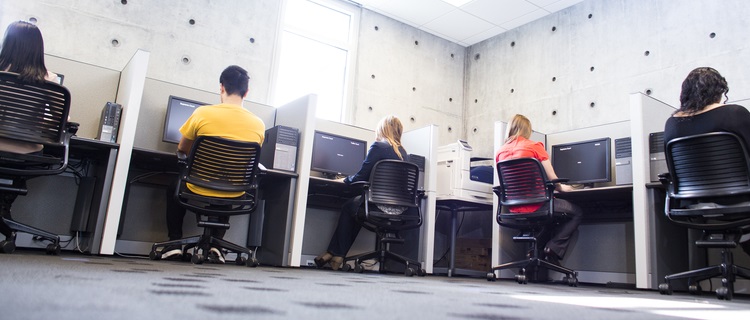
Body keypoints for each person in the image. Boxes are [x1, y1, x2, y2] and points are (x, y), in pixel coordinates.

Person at [160, 65, 265, 263]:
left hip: (198, 184)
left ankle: (174, 244)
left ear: (221, 87)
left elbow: (182, 149)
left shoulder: (202, 114)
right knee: (228, 184)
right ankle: (216, 246)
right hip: (235, 190)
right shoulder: (258, 124)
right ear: (247, 92)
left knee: (175, 184)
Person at [663, 66, 750, 256]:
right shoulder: (735, 114)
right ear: (719, 91)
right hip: (741, 199)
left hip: (696, 204)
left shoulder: (672, 124)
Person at [314, 115, 414, 270]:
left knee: (352, 207)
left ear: (383, 129)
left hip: (378, 206)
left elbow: (361, 176)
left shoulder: (378, 146)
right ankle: (334, 254)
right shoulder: (404, 154)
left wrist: (345, 180)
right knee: (358, 207)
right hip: (400, 208)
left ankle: (335, 254)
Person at [495, 114, 583, 265]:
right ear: (526, 130)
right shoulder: (535, 147)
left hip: (512, 208)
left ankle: (537, 252)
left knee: (549, 219)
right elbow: (555, 182)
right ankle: (552, 249)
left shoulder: (500, 153)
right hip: (537, 205)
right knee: (576, 212)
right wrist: (568, 188)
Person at [0, 20, 59, 155]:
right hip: (27, 152)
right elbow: (60, 121)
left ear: (8, 43)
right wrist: (32, 127)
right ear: (38, 48)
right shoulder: (48, 79)